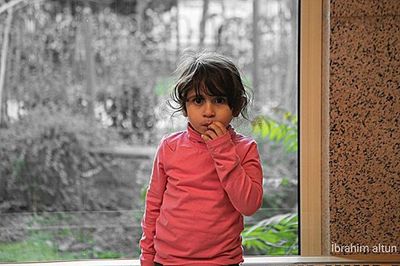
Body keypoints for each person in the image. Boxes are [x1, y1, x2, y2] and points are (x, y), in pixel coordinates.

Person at [140, 51, 264, 266]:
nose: (208, 111)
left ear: (236, 106)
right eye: (198, 100)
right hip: (168, 261)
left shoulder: (245, 149)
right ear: (185, 107)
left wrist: (223, 150)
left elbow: (249, 205)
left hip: (223, 261)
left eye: (219, 100)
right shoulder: (170, 147)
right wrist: (147, 258)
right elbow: (153, 206)